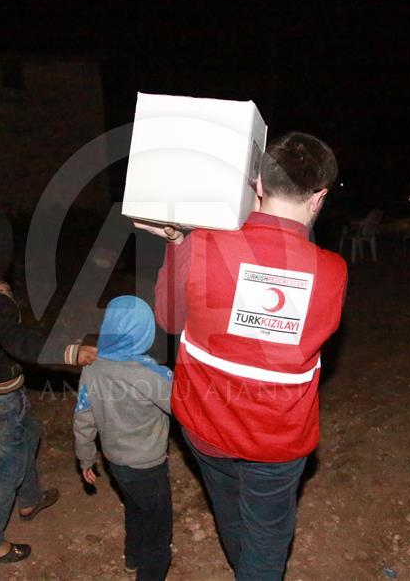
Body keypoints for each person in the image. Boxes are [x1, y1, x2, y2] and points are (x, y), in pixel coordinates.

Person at [140, 131, 348, 580]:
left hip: (206, 424)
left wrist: (178, 243)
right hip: (278, 439)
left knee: (231, 514)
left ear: (257, 183)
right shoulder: (332, 272)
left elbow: (169, 320)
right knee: (267, 539)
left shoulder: (201, 244)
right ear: (319, 198)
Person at [0, 217, 96, 566]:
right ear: (0, 250)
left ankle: (30, 498)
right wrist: (71, 352)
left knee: (31, 430)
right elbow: (17, 341)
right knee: (9, 460)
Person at [73, 295, 174, 581]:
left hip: (115, 462)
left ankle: (133, 557)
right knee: (158, 528)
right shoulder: (152, 374)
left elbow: (83, 419)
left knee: (134, 507)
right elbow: (184, 408)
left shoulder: (92, 367)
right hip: (148, 466)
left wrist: (85, 458)